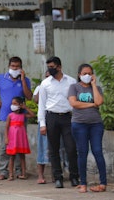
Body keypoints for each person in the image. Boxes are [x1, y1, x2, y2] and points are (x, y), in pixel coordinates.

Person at [0, 56, 32, 180]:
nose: (15, 68)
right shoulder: (1, 78)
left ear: (21, 68)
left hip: (20, 119)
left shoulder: (25, 80)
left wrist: (23, 80)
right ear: (9, 66)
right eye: (13, 66)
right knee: (5, 145)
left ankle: (20, 171)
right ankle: (3, 171)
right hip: (5, 117)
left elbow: (29, 96)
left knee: (20, 145)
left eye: (17, 66)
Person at [38, 56, 79, 188]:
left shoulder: (71, 81)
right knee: (53, 149)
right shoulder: (45, 83)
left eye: (52, 67)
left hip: (68, 117)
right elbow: (42, 105)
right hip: (52, 117)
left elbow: (75, 102)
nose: (50, 69)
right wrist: (42, 124)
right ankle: (58, 178)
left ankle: (74, 176)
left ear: (59, 67)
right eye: (48, 66)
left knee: (71, 148)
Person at [68, 64, 106, 193]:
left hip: (96, 124)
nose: (87, 76)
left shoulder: (97, 88)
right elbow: (74, 103)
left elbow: (99, 101)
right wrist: (91, 104)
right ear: (79, 75)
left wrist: (94, 85)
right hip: (79, 124)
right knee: (82, 153)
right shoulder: (74, 87)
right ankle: (83, 183)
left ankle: (103, 183)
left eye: (90, 73)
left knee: (97, 151)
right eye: (84, 73)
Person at [5, 96, 34, 181]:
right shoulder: (10, 115)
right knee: (12, 156)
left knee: (22, 156)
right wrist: (6, 138)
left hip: (21, 138)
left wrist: (26, 107)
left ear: (20, 105)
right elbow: (6, 127)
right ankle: (11, 174)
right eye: (12, 103)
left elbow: (32, 115)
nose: (12, 105)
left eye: (15, 104)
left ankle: (24, 173)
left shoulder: (23, 115)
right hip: (12, 137)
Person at [33, 71, 50, 184]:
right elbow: (35, 100)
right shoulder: (41, 87)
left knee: (56, 148)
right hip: (43, 119)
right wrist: (42, 87)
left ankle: (56, 174)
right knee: (42, 147)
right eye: (46, 77)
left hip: (55, 118)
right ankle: (40, 175)